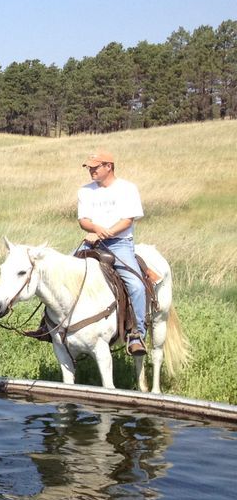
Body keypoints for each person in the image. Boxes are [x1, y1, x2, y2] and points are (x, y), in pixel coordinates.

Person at [76, 149, 147, 355]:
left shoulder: (127, 188)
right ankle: (50, 325)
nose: (91, 171)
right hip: (92, 242)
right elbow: (83, 220)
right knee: (62, 272)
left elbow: (127, 220)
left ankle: (137, 334)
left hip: (119, 244)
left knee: (136, 285)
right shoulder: (85, 191)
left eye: (95, 167)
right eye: (89, 168)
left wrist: (105, 233)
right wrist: (96, 230)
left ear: (109, 166)